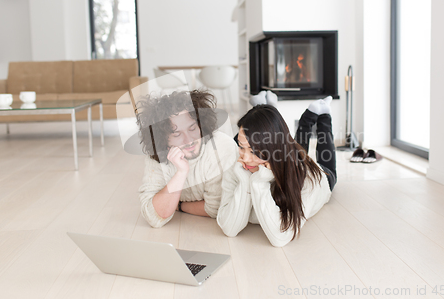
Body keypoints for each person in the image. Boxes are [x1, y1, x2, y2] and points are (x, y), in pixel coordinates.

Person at [217, 96, 336, 247]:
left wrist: (259, 182)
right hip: (283, 156)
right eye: (241, 146)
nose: (245, 158)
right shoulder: (238, 167)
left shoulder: (309, 179)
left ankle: (324, 114)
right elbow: (230, 229)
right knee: (295, 147)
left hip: (322, 178)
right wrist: (245, 180)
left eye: (254, 151)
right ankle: (280, 110)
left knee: (326, 163)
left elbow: (280, 238)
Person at [136, 90, 238, 228]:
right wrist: (181, 172)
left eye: (192, 128)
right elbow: (154, 217)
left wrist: (179, 206)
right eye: (177, 134)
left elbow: (216, 209)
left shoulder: (221, 148)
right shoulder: (157, 155)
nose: (189, 140)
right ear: (163, 139)